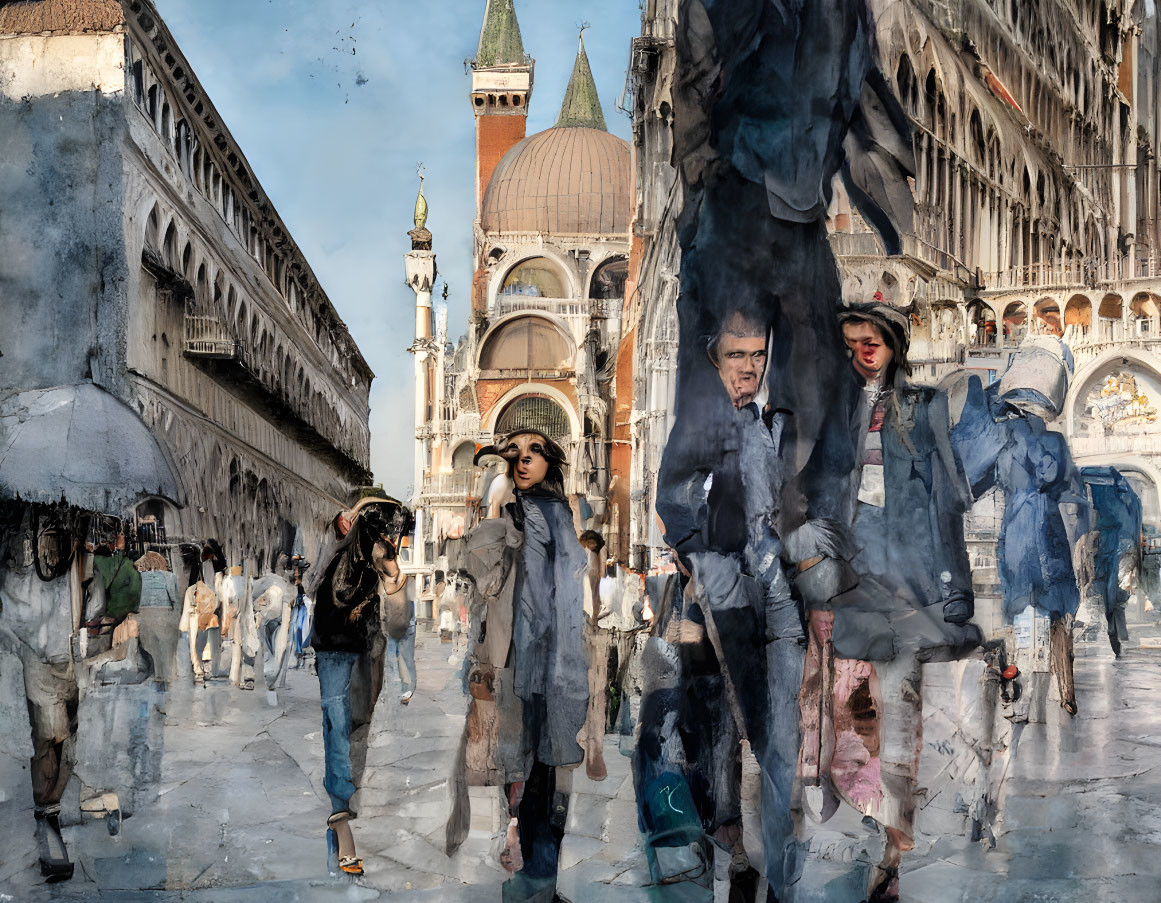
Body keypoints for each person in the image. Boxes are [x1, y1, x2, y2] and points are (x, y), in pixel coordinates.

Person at [795, 301, 980, 903]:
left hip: (909, 585)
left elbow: (947, 500)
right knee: (852, 722)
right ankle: (877, 820)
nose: (861, 351)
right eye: (851, 343)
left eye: (870, 339)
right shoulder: (837, 411)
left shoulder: (923, 407)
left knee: (901, 722)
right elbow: (817, 498)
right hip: (851, 584)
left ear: (894, 341)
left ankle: (892, 855)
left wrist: (954, 591)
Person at [445, 431, 588, 903]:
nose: (524, 461)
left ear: (552, 462)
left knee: (549, 780)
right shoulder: (507, 515)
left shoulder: (561, 513)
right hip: (516, 664)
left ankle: (540, 880)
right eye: (516, 455)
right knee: (525, 777)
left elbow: (571, 585)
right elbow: (484, 578)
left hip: (558, 661)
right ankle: (533, 881)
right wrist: (492, 508)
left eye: (535, 453)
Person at [306, 496, 411, 876]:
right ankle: (341, 818)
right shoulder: (335, 544)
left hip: (368, 649)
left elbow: (398, 622)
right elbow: (310, 581)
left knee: (357, 729)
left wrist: (396, 579)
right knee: (336, 722)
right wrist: (337, 534)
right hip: (334, 648)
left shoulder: (382, 553)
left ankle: (344, 805)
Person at [378, 542, 414, 704]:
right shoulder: (402, 578)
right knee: (399, 660)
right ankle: (403, 691)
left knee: (396, 659)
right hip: (398, 625)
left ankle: (402, 691)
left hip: (395, 625)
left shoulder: (385, 580)